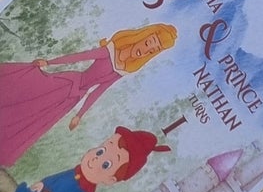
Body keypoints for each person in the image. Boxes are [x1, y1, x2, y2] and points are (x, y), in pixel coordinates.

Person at [0, 26, 176, 166]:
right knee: (32, 97)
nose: (146, 50)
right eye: (148, 43)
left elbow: (98, 91)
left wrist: (79, 114)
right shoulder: (109, 51)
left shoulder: (123, 69)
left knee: (37, 118)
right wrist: (49, 62)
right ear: (140, 37)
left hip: (73, 98)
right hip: (67, 83)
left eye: (153, 50)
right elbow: (78, 57)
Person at [11, 127, 169, 192]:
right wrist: (43, 184)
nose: (95, 159)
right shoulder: (74, 172)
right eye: (100, 151)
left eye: (106, 165)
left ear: (110, 180)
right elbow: (56, 179)